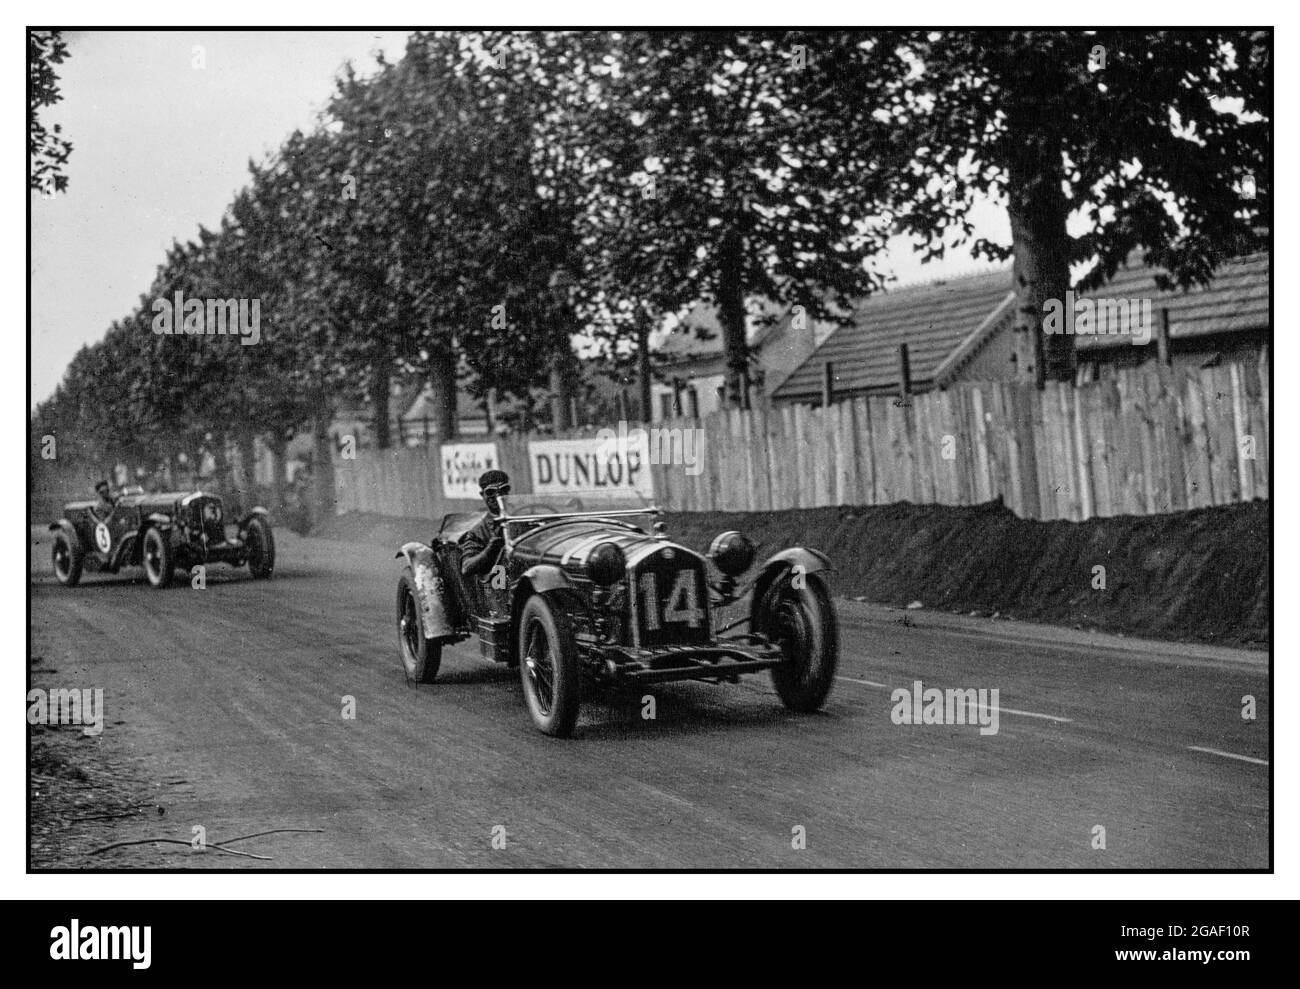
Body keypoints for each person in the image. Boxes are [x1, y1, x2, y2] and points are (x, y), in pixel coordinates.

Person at [459, 469, 510, 579]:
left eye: (503, 490)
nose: (498, 496)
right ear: (483, 495)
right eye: (491, 492)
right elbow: (466, 567)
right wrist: (490, 549)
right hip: (498, 586)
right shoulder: (478, 532)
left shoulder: (522, 519)